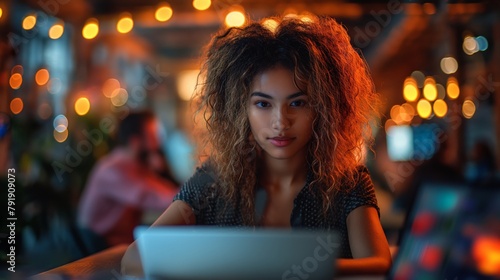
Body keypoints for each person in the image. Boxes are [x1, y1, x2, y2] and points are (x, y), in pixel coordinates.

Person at [122, 15, 391, 276]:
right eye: (263, 104)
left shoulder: (348, 183)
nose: (280, 122)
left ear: (323, 108)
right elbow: (133, 259)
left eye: (297, 103)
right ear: (242, 110)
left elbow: (379, 265)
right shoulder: (214, 180)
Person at [78, 111, 178, 247]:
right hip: (97, 249)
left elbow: (166, 192)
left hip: (119, 246)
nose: (157, 143)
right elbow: (154, 198)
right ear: (135, 142)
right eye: (153, 136)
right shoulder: (112, 170)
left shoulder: (137, 166)